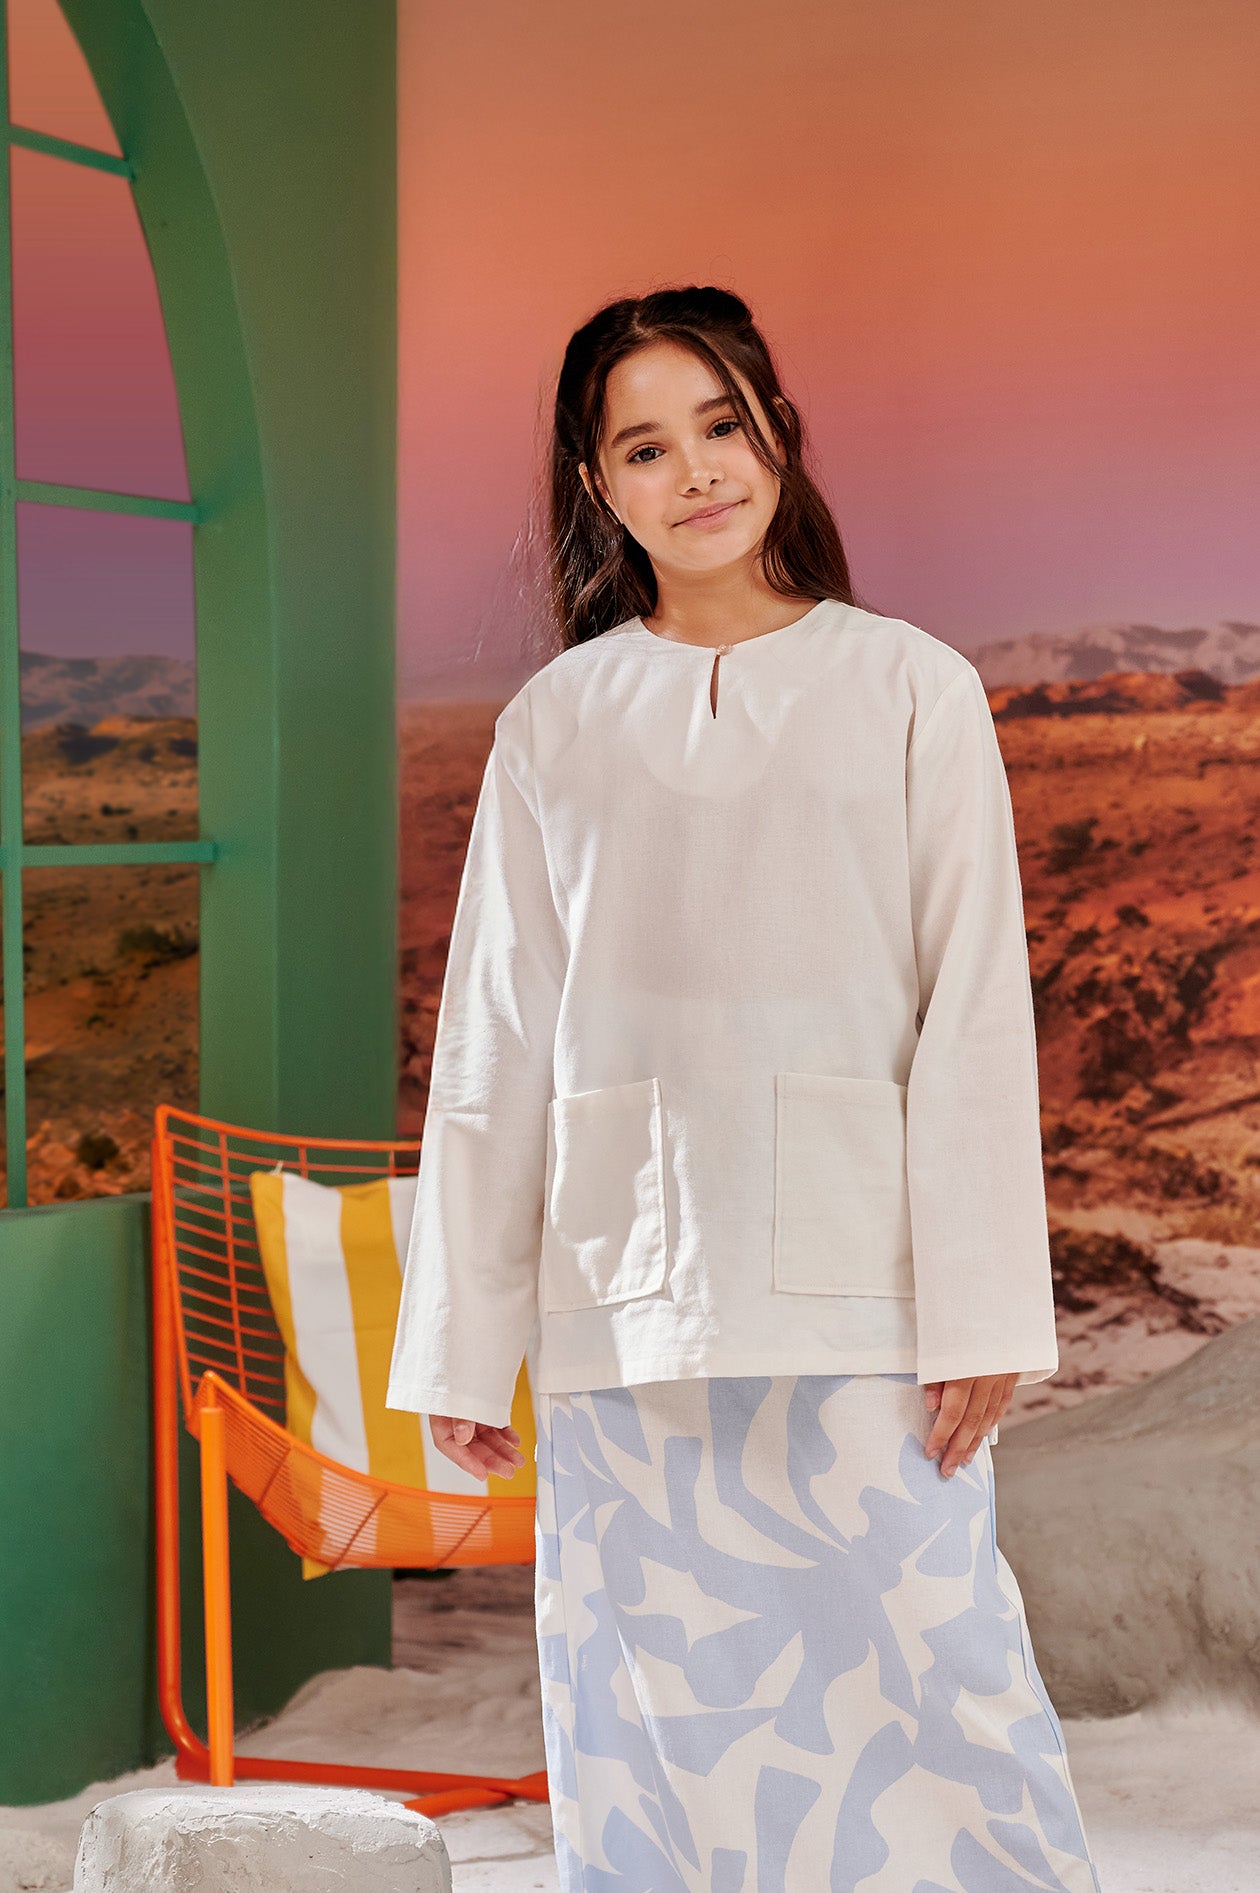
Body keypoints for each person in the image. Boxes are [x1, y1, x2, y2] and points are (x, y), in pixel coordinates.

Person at [387, 284, 1102, 1890]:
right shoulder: (554, 724)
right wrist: (463, 1330)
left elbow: (976, 1008)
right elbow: (497, 1037)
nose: (697, 471)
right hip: (619, 1318)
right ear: (598, 484)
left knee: (941, 1694)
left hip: (871, 1300)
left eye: (723, 424)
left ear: (779, 429)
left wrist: (986, 1306)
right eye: (646, 445)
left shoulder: (913, 686)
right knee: (652, 1724)